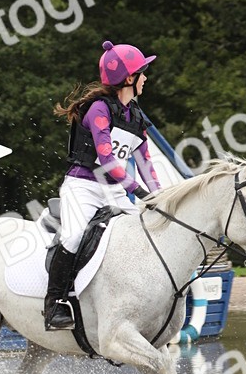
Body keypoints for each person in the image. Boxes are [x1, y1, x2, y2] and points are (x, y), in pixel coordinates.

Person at [44, 39, 162, 330]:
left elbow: (145, 163)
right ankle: (54, 304)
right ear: (130, 78)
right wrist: (139, 191)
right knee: (72, 237)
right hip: (82, 186)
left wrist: (159, 196)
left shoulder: (136, 117)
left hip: (113, 190)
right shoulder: (100, 109)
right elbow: (107, 160)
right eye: (143, 72)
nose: (146, 78)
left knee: (145, 236)